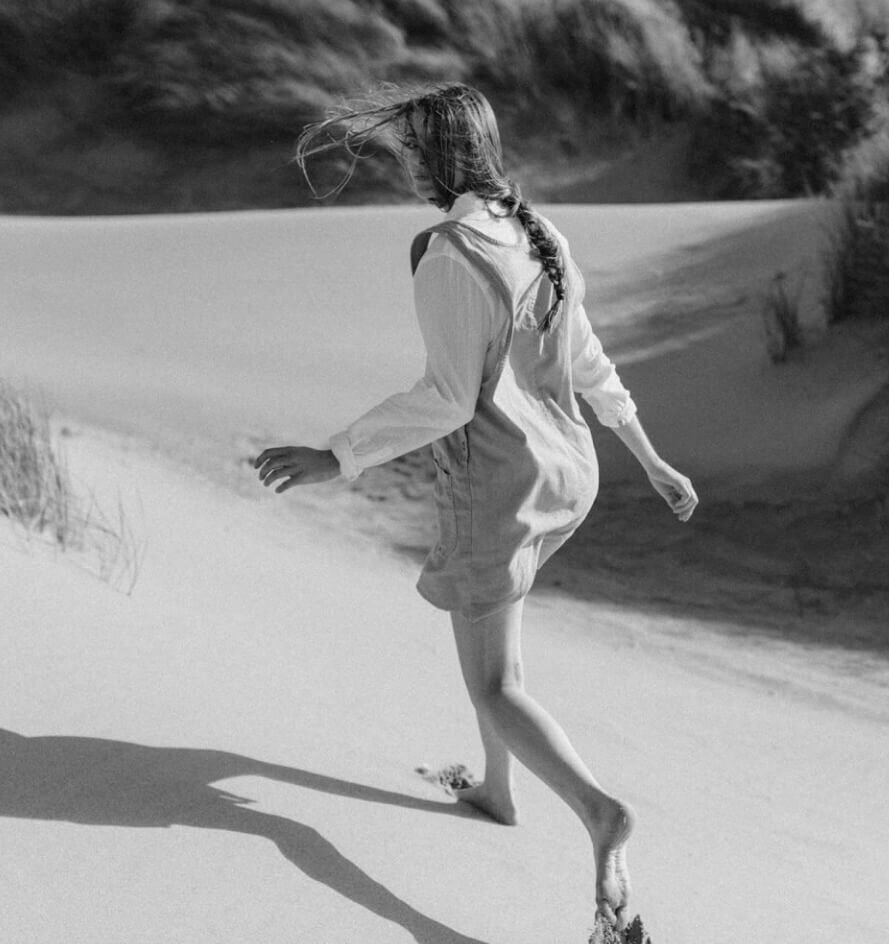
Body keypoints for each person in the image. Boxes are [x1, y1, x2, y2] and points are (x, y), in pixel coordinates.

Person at [252, 83, 697, 932]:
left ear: (435, 158)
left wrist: (336, 456)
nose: (404, 167)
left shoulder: (450, 254)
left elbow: (449, 399)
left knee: (493, 686)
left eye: (408, 152)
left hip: (500, 486)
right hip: (567, 474)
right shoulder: (540, 232)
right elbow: (589, 360)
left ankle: (601, 813)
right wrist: (650, 458)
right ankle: (497, 789)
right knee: (500, 652)